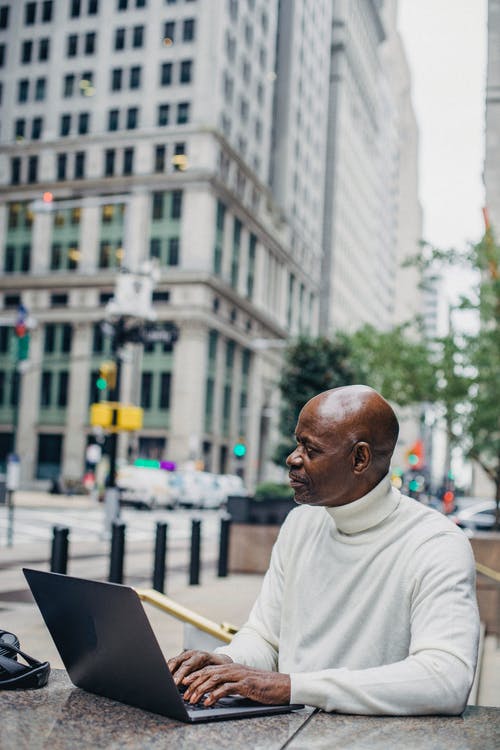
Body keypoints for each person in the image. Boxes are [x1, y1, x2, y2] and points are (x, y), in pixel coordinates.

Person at [168, 385, 479, 715]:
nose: (293, 458)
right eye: (297, 442)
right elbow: (266, 637)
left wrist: (293, 687)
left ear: (360, 458)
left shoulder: (436, 544)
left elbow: (446, 679)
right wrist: (227, 664)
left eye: (311, 449)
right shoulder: (300, 524)